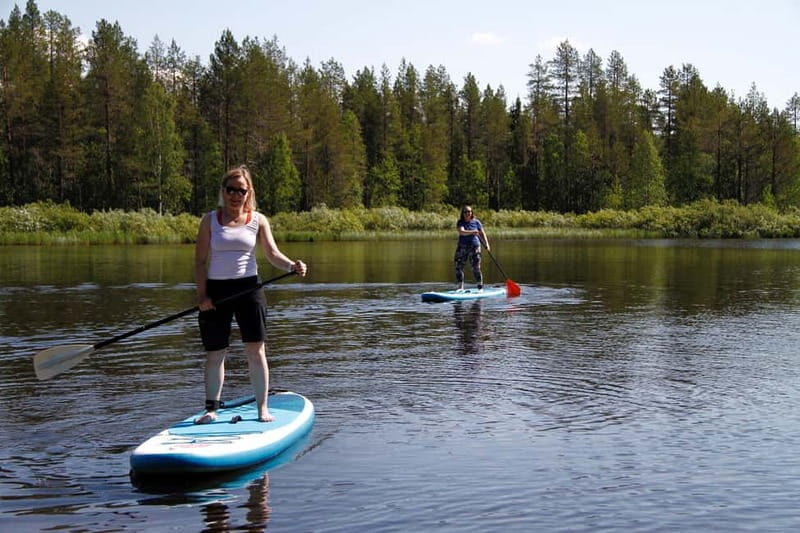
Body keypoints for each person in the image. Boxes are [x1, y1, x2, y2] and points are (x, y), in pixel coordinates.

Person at [194, 165, 307, 424]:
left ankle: (262, 409)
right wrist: (202, 296)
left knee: (256, 351)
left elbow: (272, 254)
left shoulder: (258, 220)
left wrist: (292, 265)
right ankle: (211, 410)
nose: (235, 195)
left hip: (249, 290)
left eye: (241, 191)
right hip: (216, 292)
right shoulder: (209, 220)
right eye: (231, 190)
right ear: (223, 191)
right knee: (215, 353)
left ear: (249, 193)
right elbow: (199, 262)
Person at [455, 205, 490, 291]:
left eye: (469, 211)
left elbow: (482, 233)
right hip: (462, 246)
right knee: (458, 267)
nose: (467, 213)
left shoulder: (476, 222)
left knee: (476, 267)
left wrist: (487, 244)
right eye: (465, 212)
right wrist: (472, 232)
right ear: (462, 213)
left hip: (475, 247)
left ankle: (480, 287)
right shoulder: (460, 222)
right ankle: (460, 287)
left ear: (471, 213)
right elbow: (462, 232)